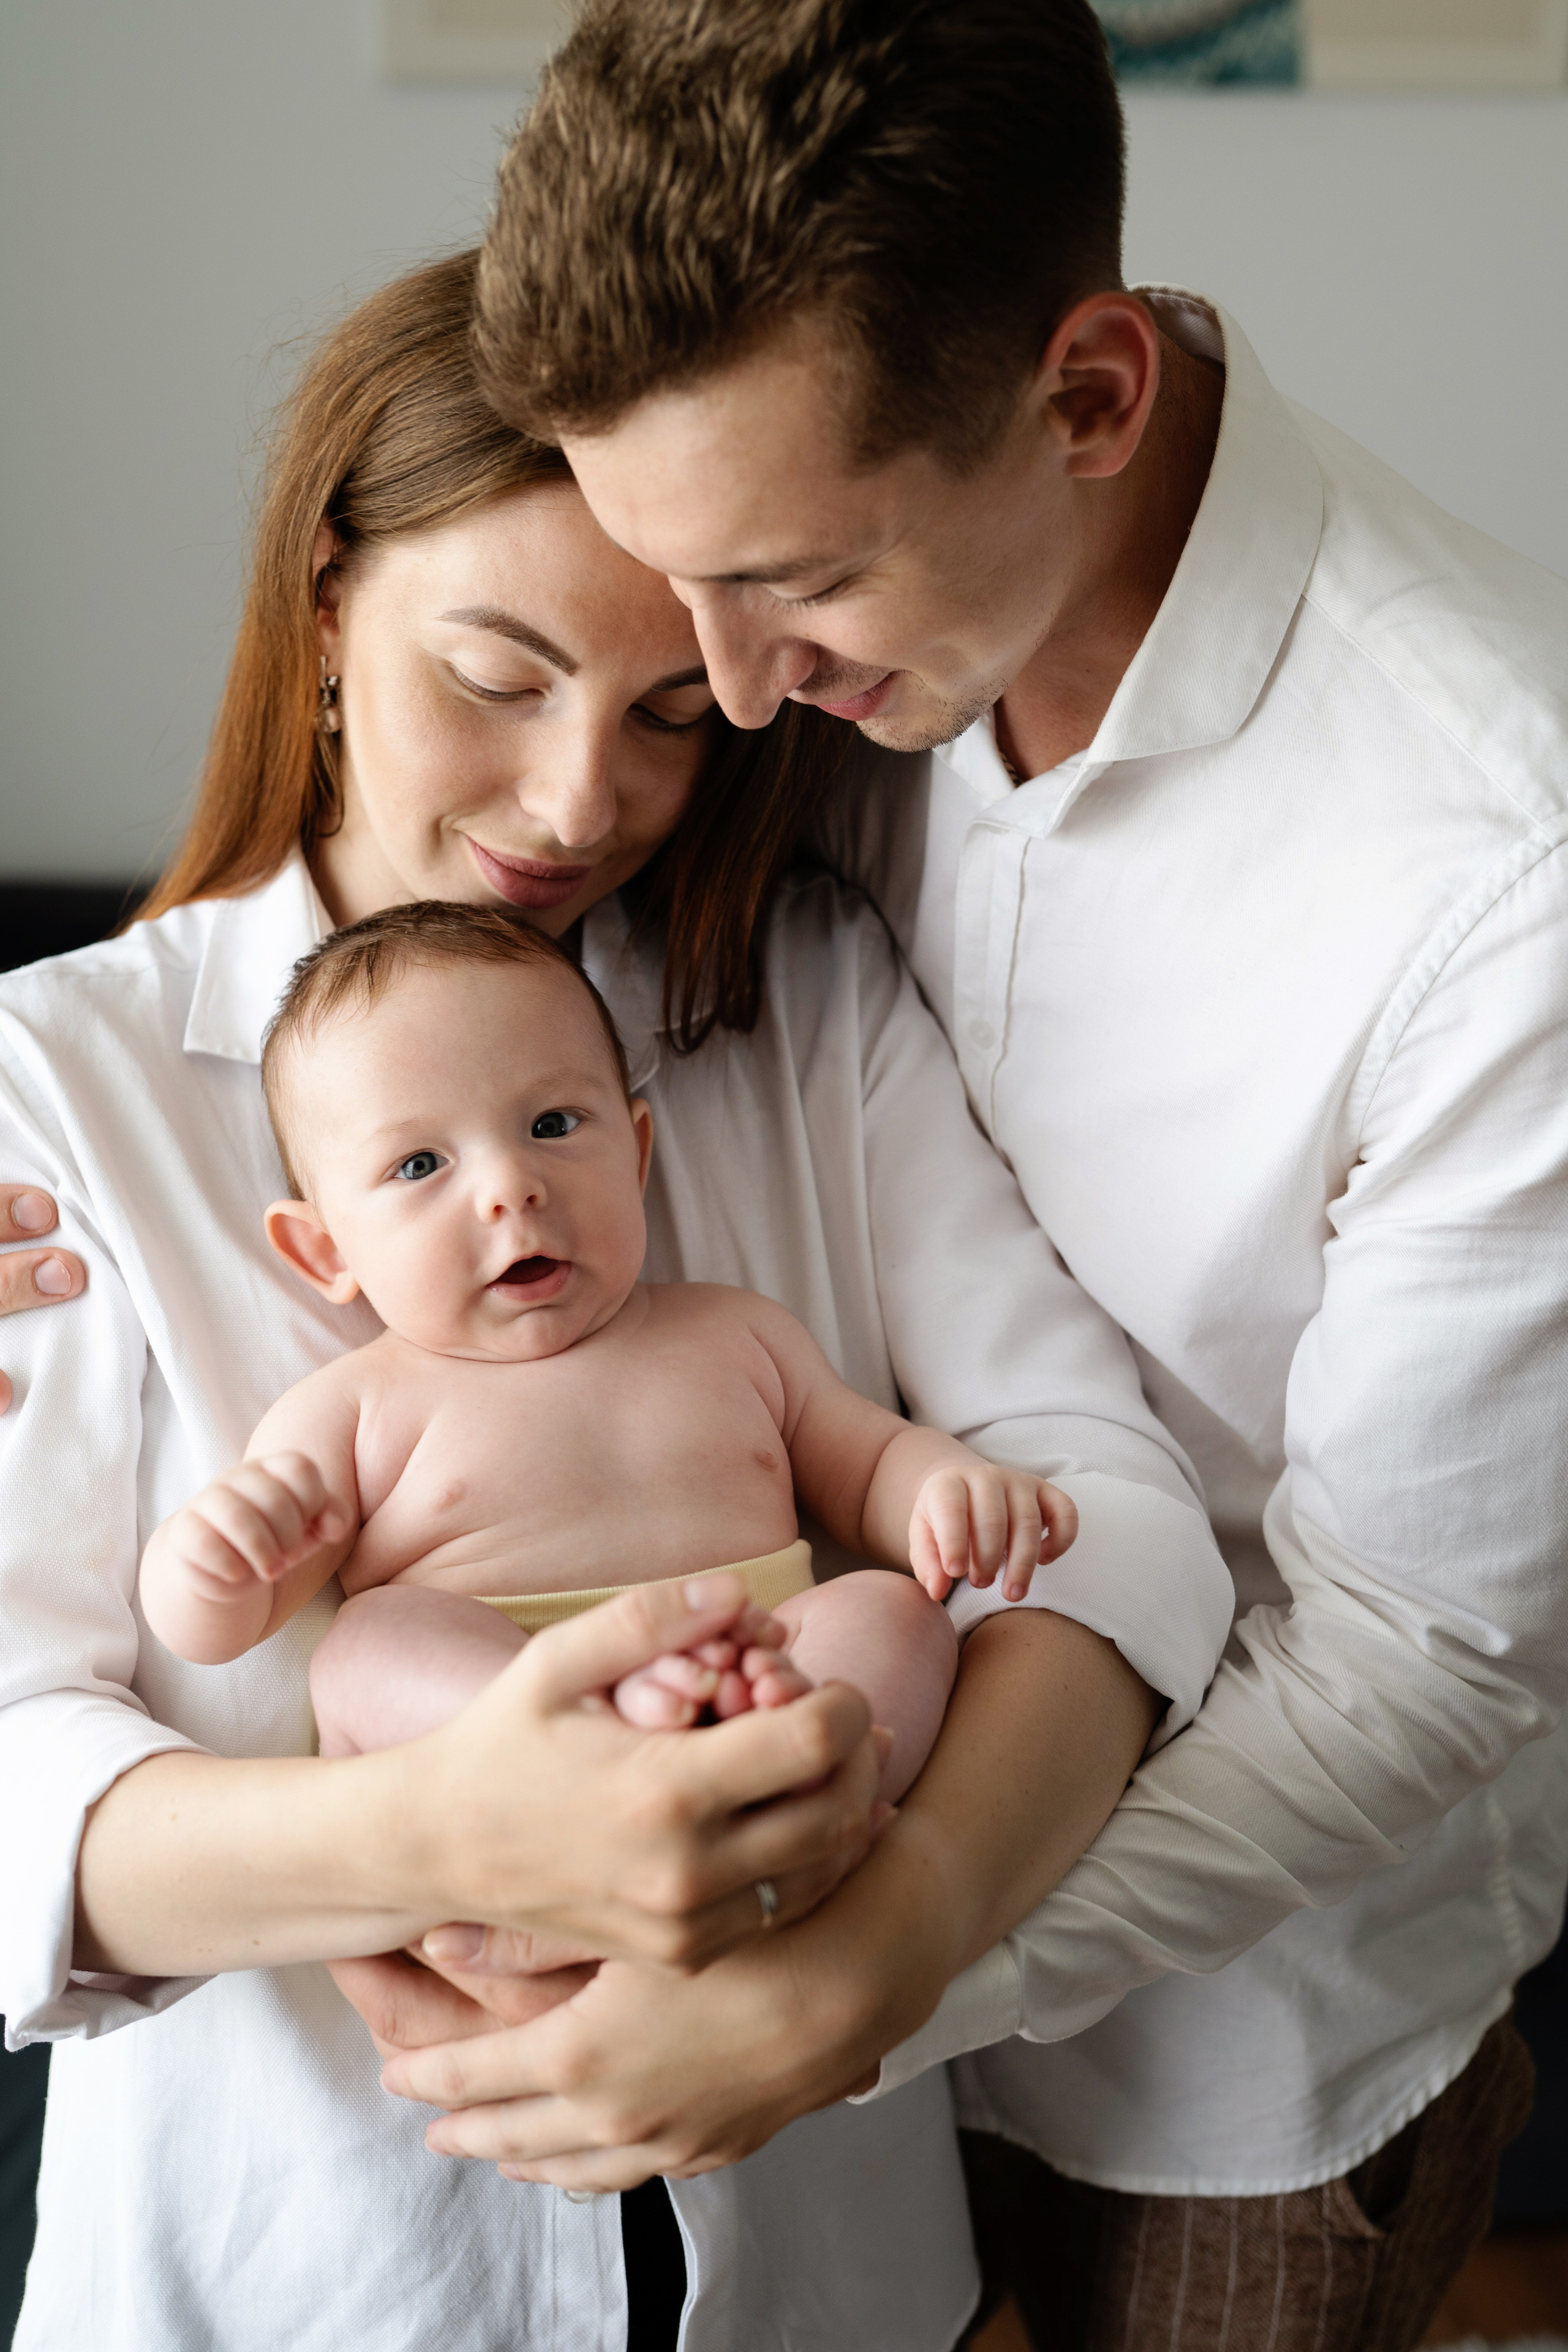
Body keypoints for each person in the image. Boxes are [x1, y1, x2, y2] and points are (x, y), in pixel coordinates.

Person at [436, 0, 1568, 2342]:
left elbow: (1417, 1649)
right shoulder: (807, 657)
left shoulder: (1506, 862)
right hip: (744, 1916)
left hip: (1242, 2049)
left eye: (792, 589)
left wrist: (879, 1966)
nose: (726, 700)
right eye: (684, 590)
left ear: (1087, 394)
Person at [0, 251, 1233, 2348]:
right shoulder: (65, 1087)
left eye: (673, 712)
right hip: (293, 2283)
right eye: (495, 674)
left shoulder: (805, 1012)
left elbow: (1104, 1521)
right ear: (325, 603)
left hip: (828, 2259)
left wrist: (879, 1948)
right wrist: (418, 1837)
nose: (584, 804)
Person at [144, 899, 1074, 1800]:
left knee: (891, 1610)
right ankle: (590, 1752)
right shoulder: (350, 1409)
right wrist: (208, 1564)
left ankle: (800, 1782)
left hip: (750, 1665)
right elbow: (222, 1630)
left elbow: (870, 1465)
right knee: (368, 1647)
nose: (512, 1187)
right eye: (419, 1165)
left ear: (635, 1156)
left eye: (552, 1125)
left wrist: (945, 1487)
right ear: (327, 1251)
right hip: (503, 1729)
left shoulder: (738, 1335)